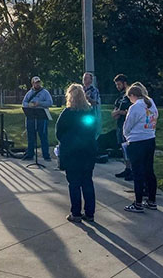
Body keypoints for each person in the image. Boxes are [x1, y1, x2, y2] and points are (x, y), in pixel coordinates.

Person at [56, 84, 98, 223]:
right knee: (87, 181)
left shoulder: (67, 113)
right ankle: (90, 213)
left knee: (74, 183)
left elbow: (58, 132)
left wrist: (67, 142)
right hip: (87, 151)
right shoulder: (89, 112)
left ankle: (76, 213)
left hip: (72, 152)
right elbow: (93, 130)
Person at [123, 85, 159, 213]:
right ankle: (152, 200)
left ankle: (138, 203)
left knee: (137, 173)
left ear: (133, 95)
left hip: (137, 141)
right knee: (149, 171)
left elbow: (127, 125)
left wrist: (127, 137)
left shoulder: (135, 107)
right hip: (150, 139)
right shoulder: (151, 104)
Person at [22, 76, 53, 161]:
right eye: (36, 83)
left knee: (43, 135)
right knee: (30, 136)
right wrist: (29, 105)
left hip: (41, 116)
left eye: (38, 82)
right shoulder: (29, 93)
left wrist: (39, 103)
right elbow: (24, 102)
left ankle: (46, 155)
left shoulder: (45, 92)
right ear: (33, 84)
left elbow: (50, 102)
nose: (37, 84)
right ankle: (30, 154)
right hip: (31, 116)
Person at [112, 74, 133, 180]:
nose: (118, 86)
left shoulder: (131, 95)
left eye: (119, 84)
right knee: (123, 149)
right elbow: (114, 113)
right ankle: (127, 168)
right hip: (120, 126)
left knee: (130, 149)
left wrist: (121, 112)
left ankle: (133, 170)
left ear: (125, 83)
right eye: (116, 85)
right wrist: (119, 112)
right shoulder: (120, 97)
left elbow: (131, 112)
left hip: (129, 127)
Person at [82, 72, 102, 139]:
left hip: (90, 113)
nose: (84, 79)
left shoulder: (94, 90)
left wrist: (88, 98)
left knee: (90, 131)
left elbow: (95, 102)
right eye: (84, 77)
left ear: (91, 80)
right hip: (81, 113)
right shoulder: (80, 90)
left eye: (86, 78)